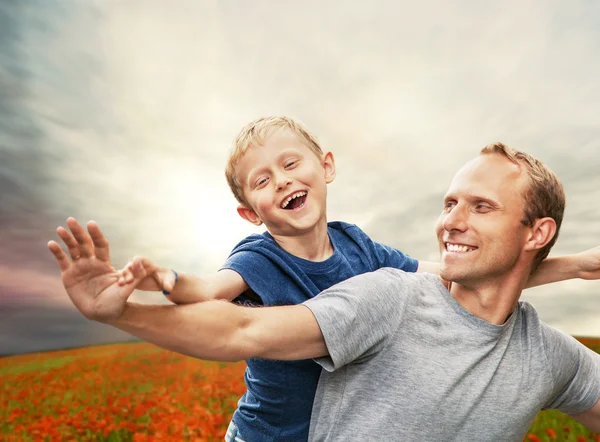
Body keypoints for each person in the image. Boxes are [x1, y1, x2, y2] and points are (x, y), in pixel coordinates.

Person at [49, 142, 600, 441]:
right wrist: (136, 304)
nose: (451, 221)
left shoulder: (552, 358)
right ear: (249, 210)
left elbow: (464, 273)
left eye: (480, 207)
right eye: (449, 203)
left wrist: (575, 265)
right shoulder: (375, 293)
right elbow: (235, 321)